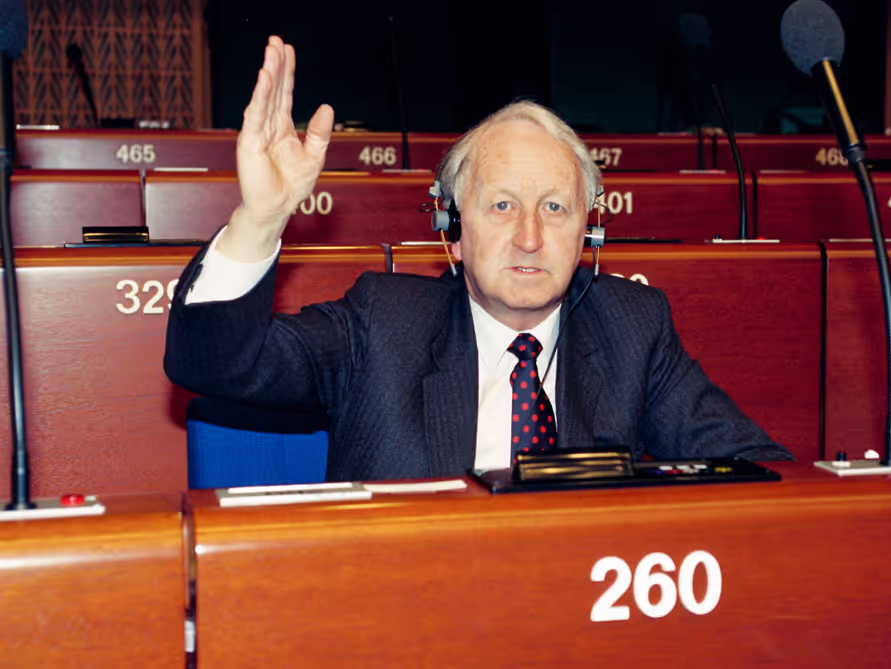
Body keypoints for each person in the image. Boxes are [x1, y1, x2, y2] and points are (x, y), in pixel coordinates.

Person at [164, 36, 791, 482]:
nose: (529, 237)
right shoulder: (382, 324)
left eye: (554, 208)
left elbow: (761, 470)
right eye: (501, 206)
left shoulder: (633, 328)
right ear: (454, 232)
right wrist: (261, 219)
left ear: (589, 232)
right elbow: (213, 365)